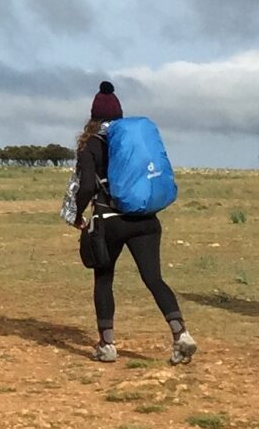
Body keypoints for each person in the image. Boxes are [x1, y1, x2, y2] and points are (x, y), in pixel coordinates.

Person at [65, 114, 197, 364]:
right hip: (146, 219)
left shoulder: (91, 143)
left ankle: (107, 344)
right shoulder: (132, 141)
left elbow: (84, 188)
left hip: (110, 220)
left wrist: (77, 215)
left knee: (104, 279)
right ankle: (181, 334)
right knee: (154, 278)